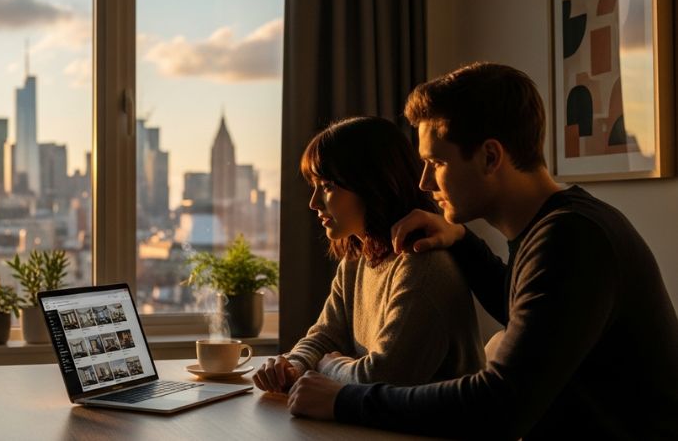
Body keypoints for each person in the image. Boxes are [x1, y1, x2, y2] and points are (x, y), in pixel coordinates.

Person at [286, 63, 678, 439]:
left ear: (491, 157)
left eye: (436, 162)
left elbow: (499, 405)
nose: (423, 182)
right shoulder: (556, 228)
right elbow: (522, 306)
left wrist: (343, 399)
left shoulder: (572, 240)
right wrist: (462, 240)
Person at [253, 116, 484, 393]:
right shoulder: (356, 260)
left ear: (372, 184)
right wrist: (293, 364)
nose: (314, 203)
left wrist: (327, 367)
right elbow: (326, 335)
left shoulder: (422, 266)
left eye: (327, 187)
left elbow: (382, 377)